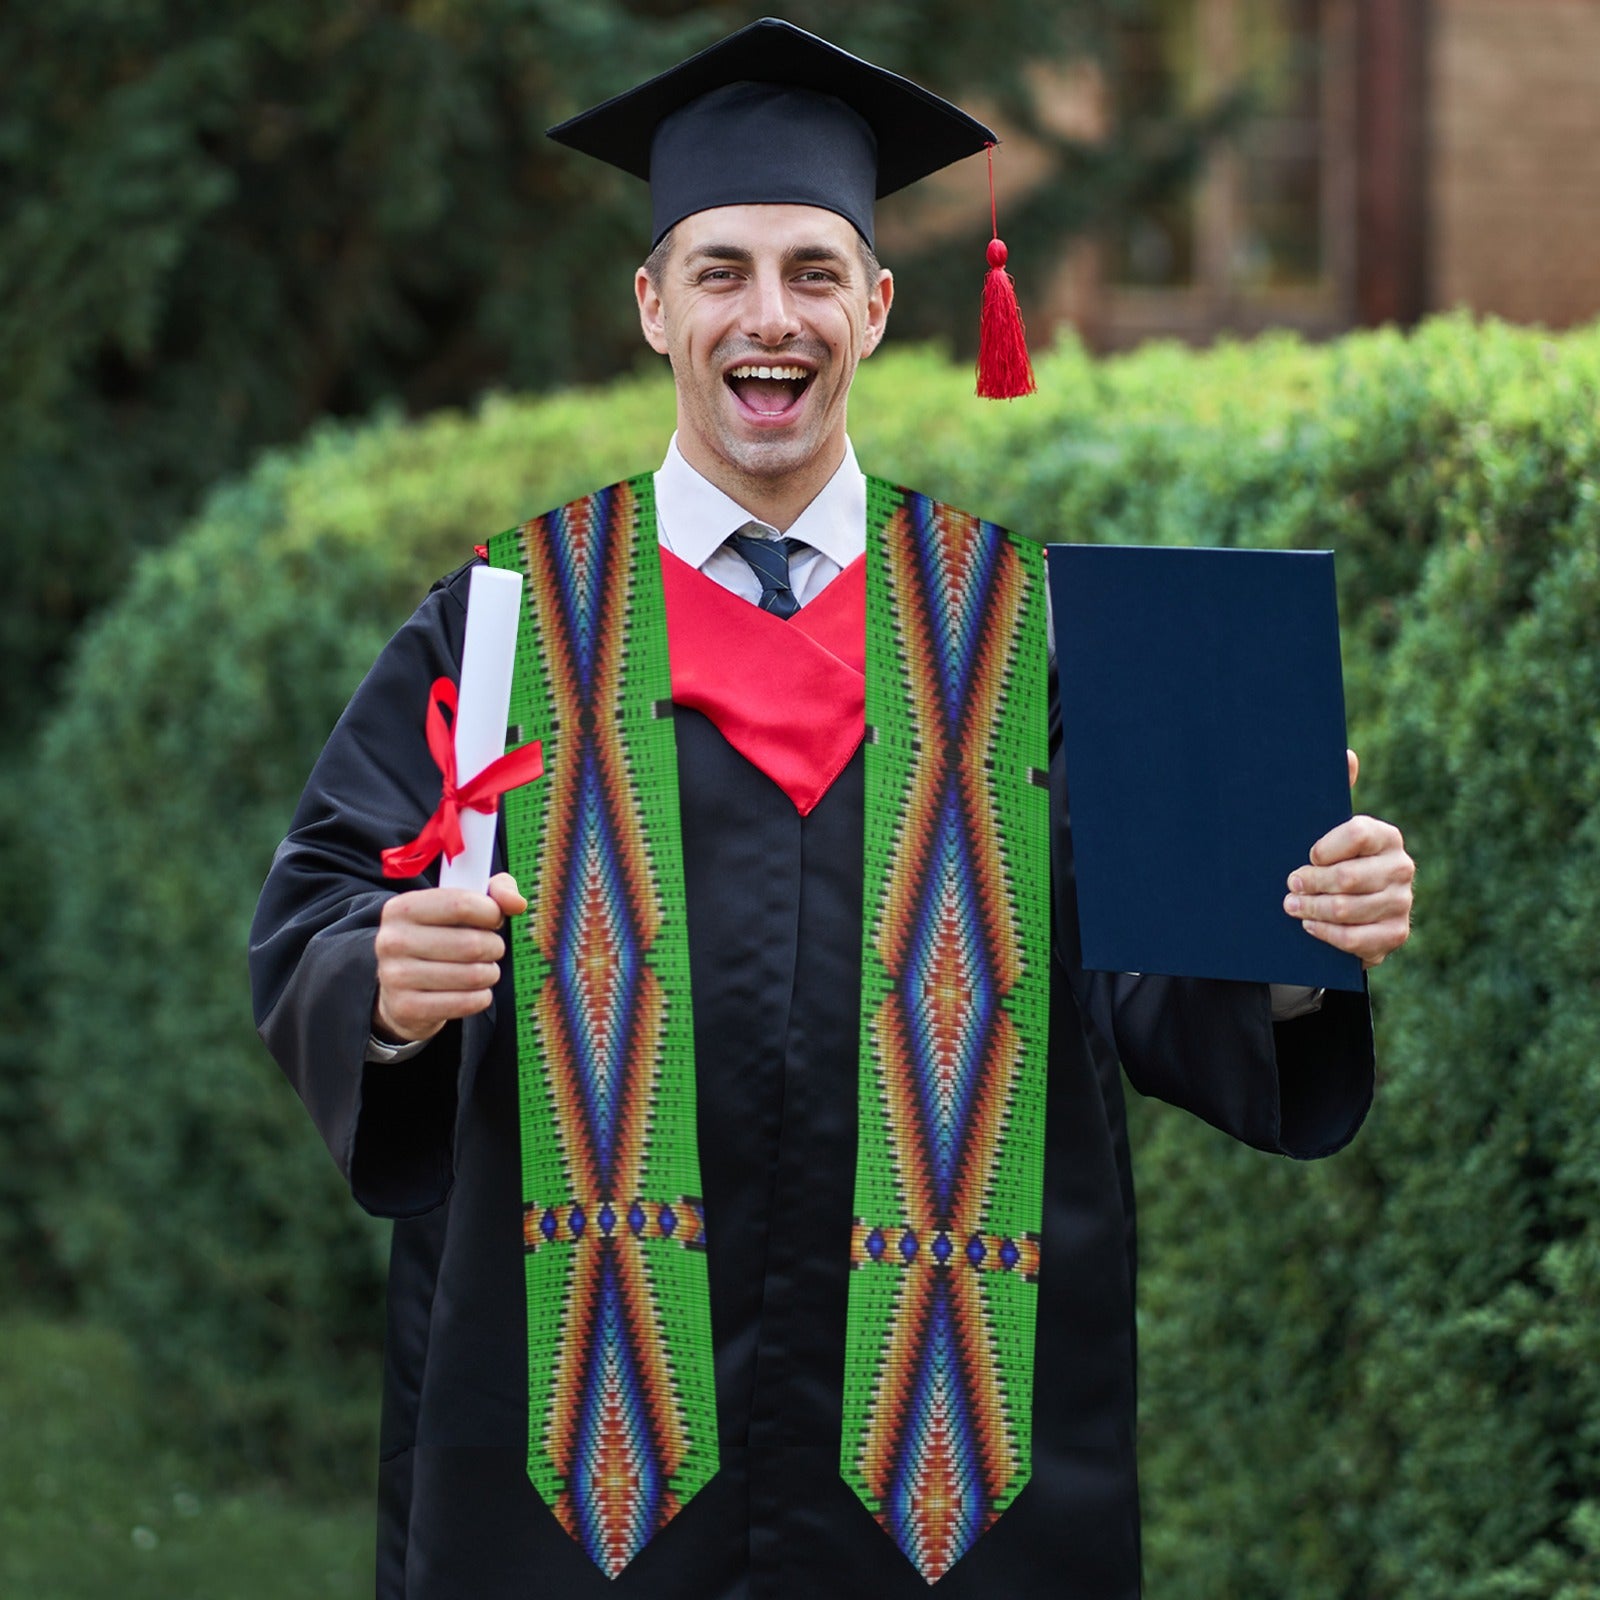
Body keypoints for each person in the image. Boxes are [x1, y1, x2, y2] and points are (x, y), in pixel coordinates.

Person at [249, 19, 1415, 1600]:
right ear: (654, 305)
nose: (768, 316)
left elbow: (1150, 982)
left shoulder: (1029, 635)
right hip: (579, 1464)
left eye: (812, 271)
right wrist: (379, 985)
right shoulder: (509, 626)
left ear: (876, 305)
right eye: (721, 270)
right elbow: (323, 905)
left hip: (955, 1466)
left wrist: (1293, 934)